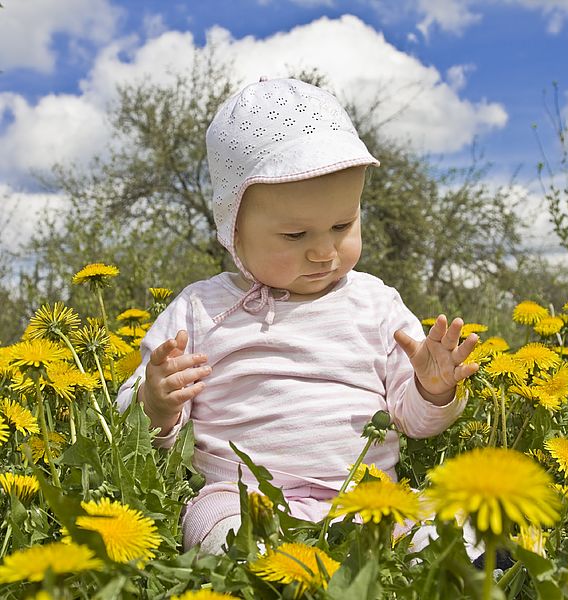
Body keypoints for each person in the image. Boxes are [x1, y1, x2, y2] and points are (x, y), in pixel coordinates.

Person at [115, 76, 481, 557]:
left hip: (369, 499)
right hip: (245, 499)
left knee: (458, 521)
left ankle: (476, 569)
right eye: (295, 235)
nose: (325, 252)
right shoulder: (201, 310)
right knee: (217, 530)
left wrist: (433, 390)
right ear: (234, 230)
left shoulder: (376, 304)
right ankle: (267, 575)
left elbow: (411, 420)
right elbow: (138, 427)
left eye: (342, 225)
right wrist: (157, 404)